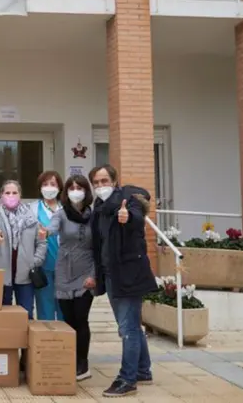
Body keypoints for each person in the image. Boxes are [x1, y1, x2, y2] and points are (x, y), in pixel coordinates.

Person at [89, 164, 156, 397]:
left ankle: (127, 379)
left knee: (127, 329)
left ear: (115, 181)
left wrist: (128, 217)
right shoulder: (98, 208)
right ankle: (143, 370)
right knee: (130, 325)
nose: (100, 186)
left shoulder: (127, 199)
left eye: (104, 181)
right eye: (96, 182)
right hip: (110, 275)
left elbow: (138, 217)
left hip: (128, 274)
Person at [44, 174, 97, 382]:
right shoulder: (61, 213)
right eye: (71, 187)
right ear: (66, 192)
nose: (76, 191)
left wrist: (94, 275)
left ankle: (83, 364)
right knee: (69, 320)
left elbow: (99, 247)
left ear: (86, 191)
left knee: (81, 318)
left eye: (79, 187)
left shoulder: (94, 215)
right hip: (64, 272)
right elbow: (51, 228)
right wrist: (44, 232)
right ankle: (70, 361)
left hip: (87, 272)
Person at [0, 180, 46, 320]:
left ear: (20, 195)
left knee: (26, 314)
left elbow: (42, 241)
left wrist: (35, 261)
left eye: (14, 192)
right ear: (1, 195)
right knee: (2, 315)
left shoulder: (31, 215)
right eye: (7, 193)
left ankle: (24, 342)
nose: (11, 195)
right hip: (3, 274)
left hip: (25, 274)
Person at [32, 171, 64, 321]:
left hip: (66, 267)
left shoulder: (66, 209)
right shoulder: (32, 209)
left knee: (65, 307)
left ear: (59, 187)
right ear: (39, 188)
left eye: (53, 184)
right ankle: (47, 342)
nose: (49, 188)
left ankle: (65, 341)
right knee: (45, 307)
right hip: (43, 266)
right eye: (45, 184)